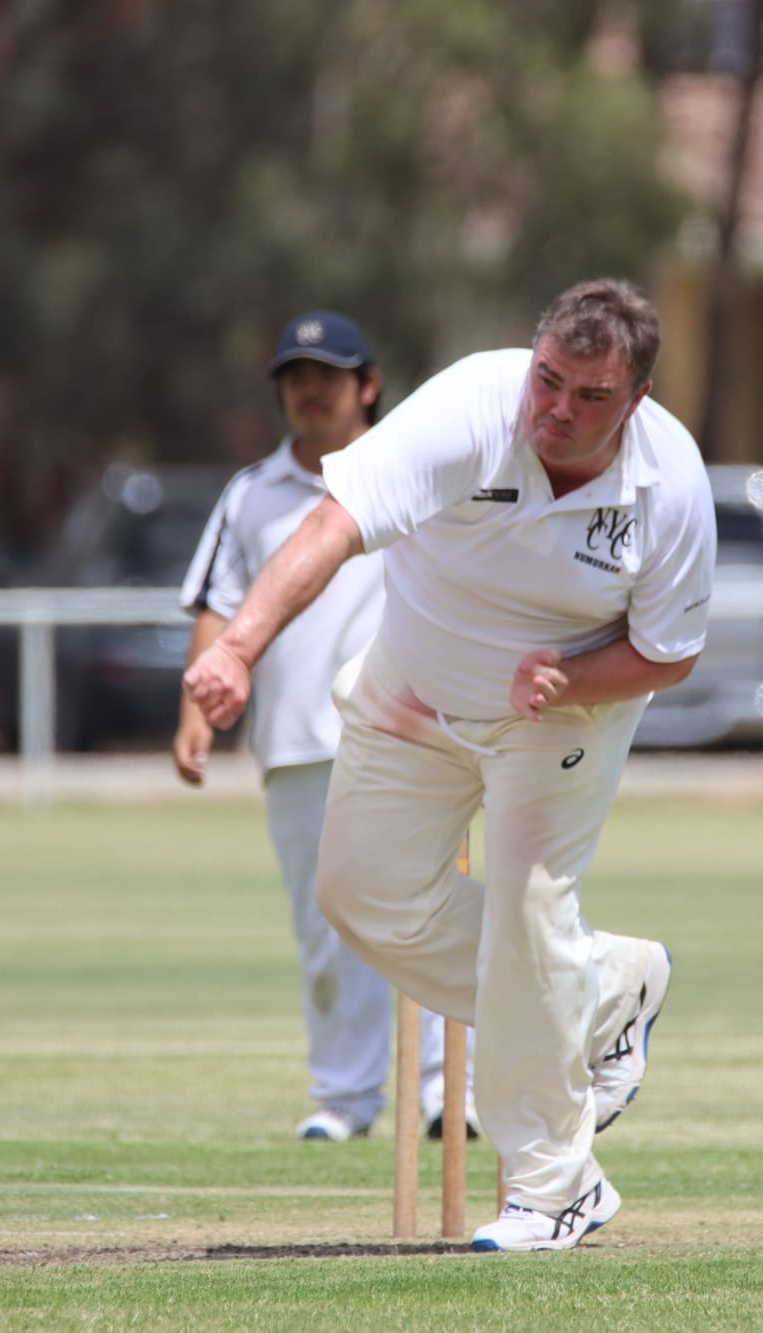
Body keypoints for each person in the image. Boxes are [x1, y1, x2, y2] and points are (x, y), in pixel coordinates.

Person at [184, 279, 715, 1251]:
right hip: (412, 687)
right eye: (547, 380)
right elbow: (331, 525)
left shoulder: (669, 483)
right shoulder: (471, 405)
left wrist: (572, 671)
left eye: (588, 396)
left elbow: (671, 649)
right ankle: (605, 986)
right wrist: (235, 648)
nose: (555, 410)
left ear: (633, 400)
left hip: (561, 712)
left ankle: (558, 1188)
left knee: (525, 913)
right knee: (354, 892)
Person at [174, 310, 470, 1143]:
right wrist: (195, 712)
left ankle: (455, 1091)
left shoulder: (414, 468)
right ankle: (345, 1095)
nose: (310, 392)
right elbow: (220, 604)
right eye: (295, 379)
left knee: (436, 910)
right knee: (328, 925)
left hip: (416, 734)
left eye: (328, 378)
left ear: (367, 386)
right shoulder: (251, 494)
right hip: (299, 739)